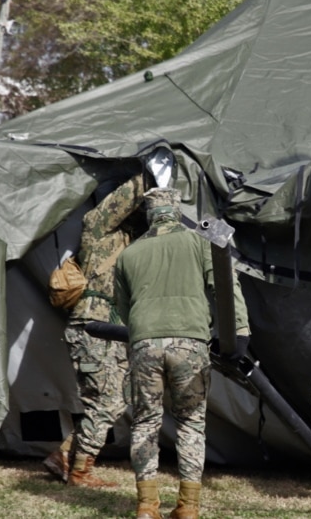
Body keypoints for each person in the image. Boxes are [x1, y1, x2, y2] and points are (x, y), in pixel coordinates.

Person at [114, 187, 251, 519]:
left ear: (149, 214)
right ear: (176, 211)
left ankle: (147, 506)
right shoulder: (199, 242)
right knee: (190, 423)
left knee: (145, 421)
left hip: (144, 343)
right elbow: (225, 287)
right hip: (190, 343)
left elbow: (121, 310)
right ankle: (187, 508)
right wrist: (240, 334)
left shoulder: (128, 254)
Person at [45, 173, 147, 487]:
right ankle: (79, 470)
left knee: (108, 398)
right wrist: (147, 179)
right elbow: (102, 213)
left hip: (108, 329)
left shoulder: (129, 237)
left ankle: (63, 456)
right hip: (94, 328)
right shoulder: (98, 229)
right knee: (106, 400)